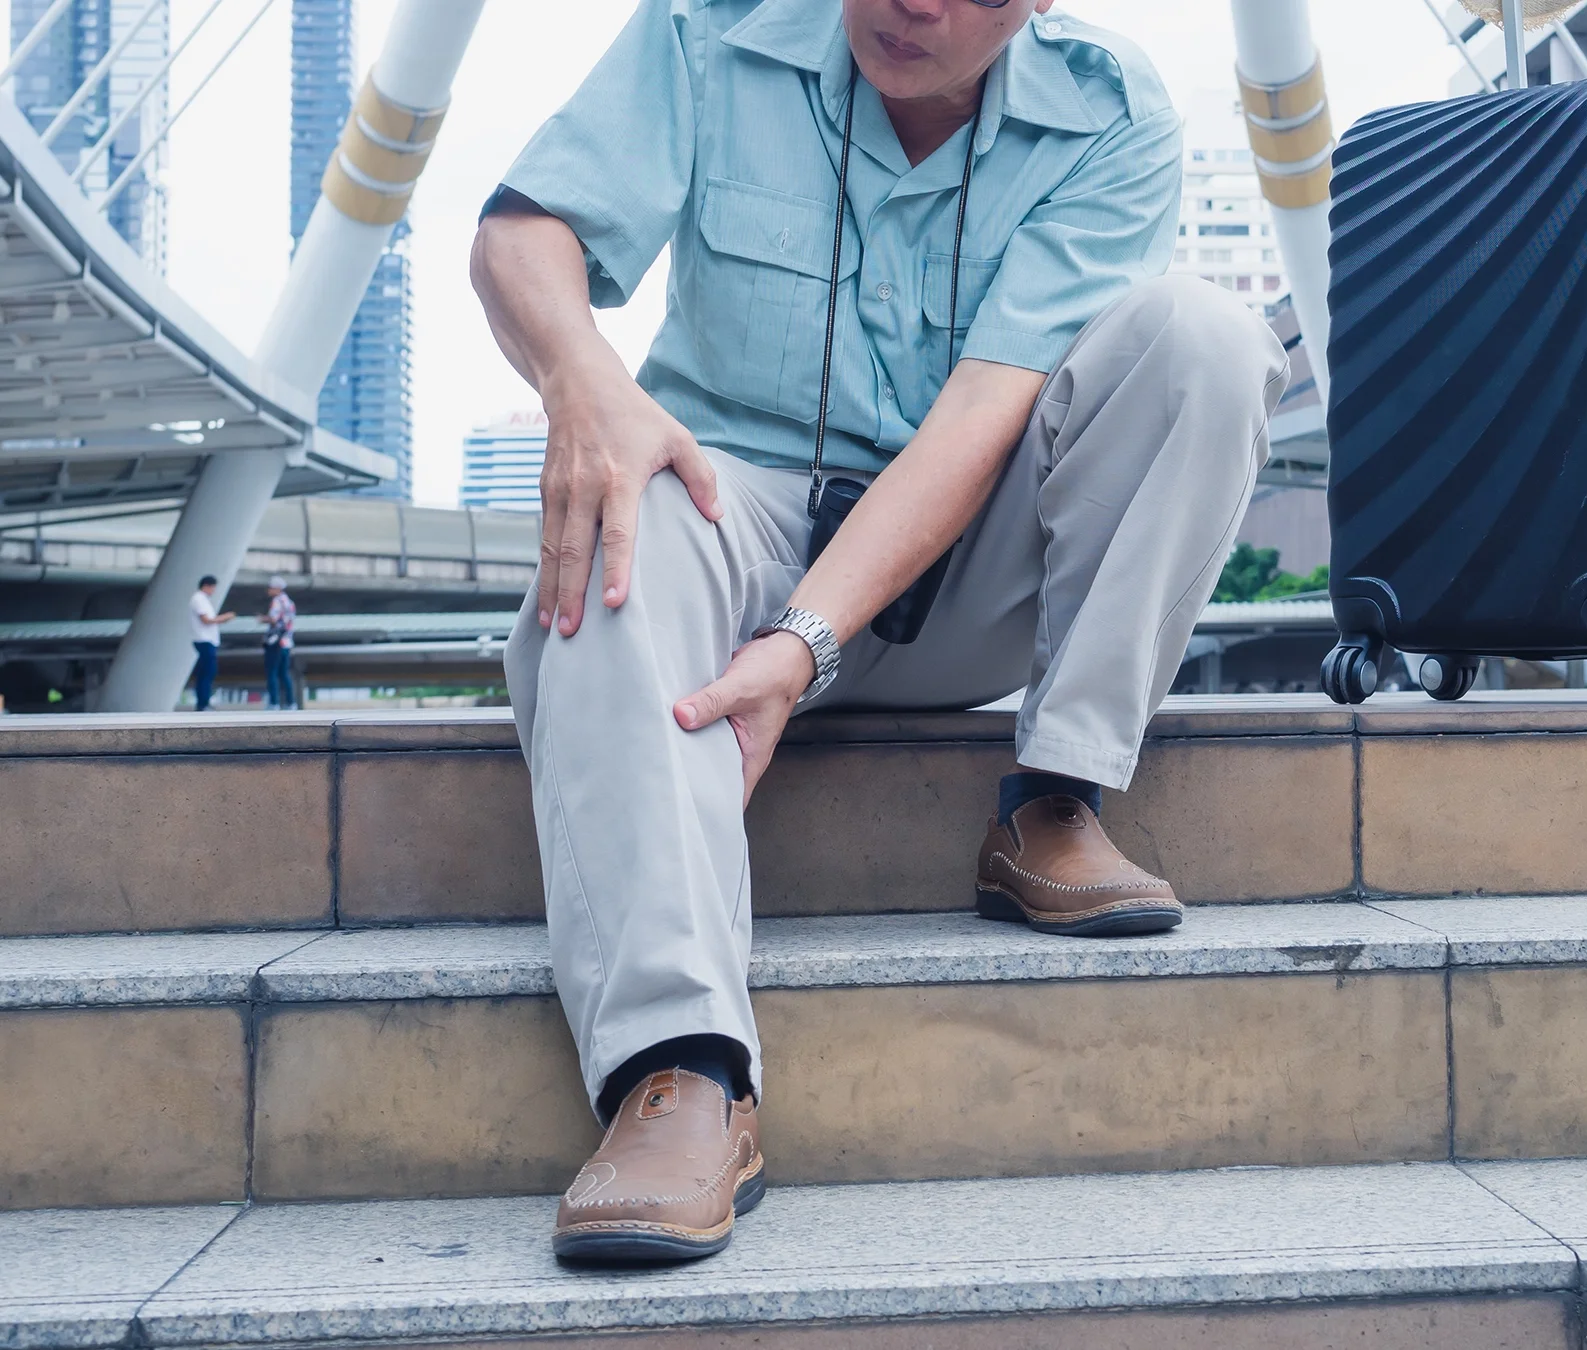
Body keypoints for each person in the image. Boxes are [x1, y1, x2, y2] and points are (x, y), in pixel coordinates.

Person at [472, 0, 1287, 1265]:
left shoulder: (1109, 111)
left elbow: (979, 420)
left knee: (1210, 342)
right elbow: (522, 233)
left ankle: (1055, 800)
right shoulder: (712, 27)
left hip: (963, 573)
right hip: (730, 538)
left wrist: (805, 644)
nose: (915, 3)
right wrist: (583, 380)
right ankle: (678, 1073)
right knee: (617, 519)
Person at [186, 575, 237, 710]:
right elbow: (206, 620)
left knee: (207, 672)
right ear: (207, 586)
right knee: (207, 672)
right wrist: (224, 618)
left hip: (208, 640)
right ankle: (203, 703)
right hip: (204, 639)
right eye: (213, 588)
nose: (214, 591)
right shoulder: (198, 599)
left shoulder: (203, 599)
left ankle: (204, 702)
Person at [262, 576, 299, 710]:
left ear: (277, 589)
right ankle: (291, 703)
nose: (268, 590)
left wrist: (263, 619)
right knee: (284, 673)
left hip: (275, 642)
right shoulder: (290, 602)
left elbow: (273, 618)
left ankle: (274, 703)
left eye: (270, 587)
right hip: (287, 642)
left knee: (272, 672)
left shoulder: (276, 601)